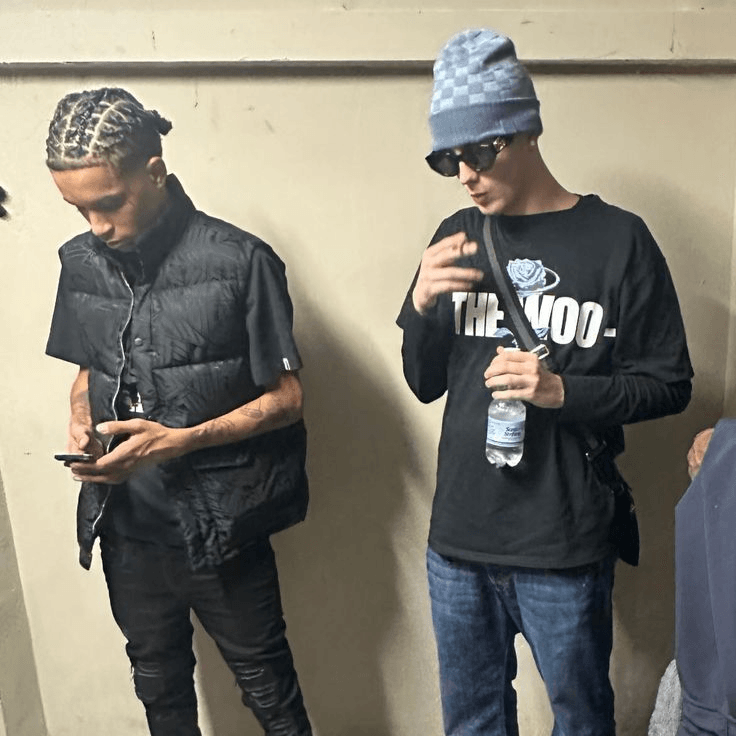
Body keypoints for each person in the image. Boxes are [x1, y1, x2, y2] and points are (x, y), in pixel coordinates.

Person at [396, 29, 693, 735]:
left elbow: (670, 383)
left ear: (527, 130)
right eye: (447, 159)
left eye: (480, 151)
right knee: (472, 722)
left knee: (580, 720)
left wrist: (565, 394)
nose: (465, 174)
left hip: (563, 542)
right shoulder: (456, 233)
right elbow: (423, 383)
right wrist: (421, 306)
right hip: (459, 540)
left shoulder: (619, 240)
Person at [44, 88, 312, 736]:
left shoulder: (241, 260)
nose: (96, 226)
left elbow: (288, 399)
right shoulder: (78, 263)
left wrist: (183, 440)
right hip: (125, 529)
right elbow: (87, 370)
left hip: (221, 529)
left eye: (109, 203)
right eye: (78, 208)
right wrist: (81, 421)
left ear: (155, 172)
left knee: (271, 698)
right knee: (158, 690)